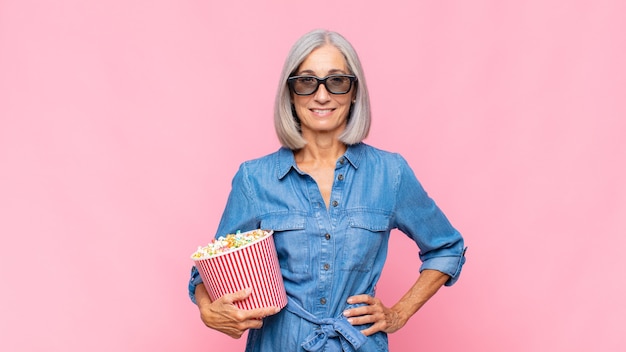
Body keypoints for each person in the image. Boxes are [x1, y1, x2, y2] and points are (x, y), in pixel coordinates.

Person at [188, 29, 467, 351]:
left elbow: (446, 248)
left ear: (354, 92)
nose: (322, 96)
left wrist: (399, 313)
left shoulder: (390, 173)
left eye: (337, 81)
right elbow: (210, 267)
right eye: (307, 82)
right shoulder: (255, 178)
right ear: (290, 93)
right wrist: (208, 308)